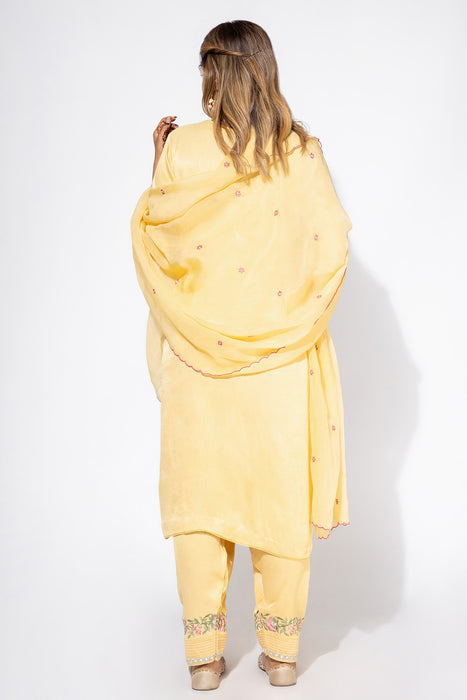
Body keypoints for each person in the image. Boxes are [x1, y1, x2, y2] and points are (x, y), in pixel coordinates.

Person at [131, 19, 352, 691]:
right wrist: (291, 323)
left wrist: (158, 168)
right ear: (265, 69)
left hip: (197, 366)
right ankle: (281, 658)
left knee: (201, 508)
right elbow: (331, 250)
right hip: (277, 370)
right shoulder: (300, 152)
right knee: (276, 506)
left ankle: (203, 661)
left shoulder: (182, 148)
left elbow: (162, 241)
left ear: (211, 73)